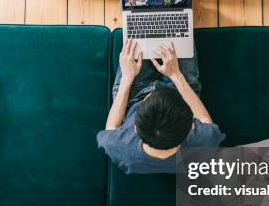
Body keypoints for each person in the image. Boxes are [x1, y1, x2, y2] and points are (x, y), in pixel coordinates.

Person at [96, 40, 224, 174]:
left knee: (136, 33)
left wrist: (127, 77)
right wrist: (176, 75)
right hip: (181, 89)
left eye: (147, 101)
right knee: (179, 26)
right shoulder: (204, 144)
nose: (153, 92)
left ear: (136, 128)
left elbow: (111, 127)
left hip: (132, 93)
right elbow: (204, 119)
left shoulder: (120, 147)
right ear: (191, 126)